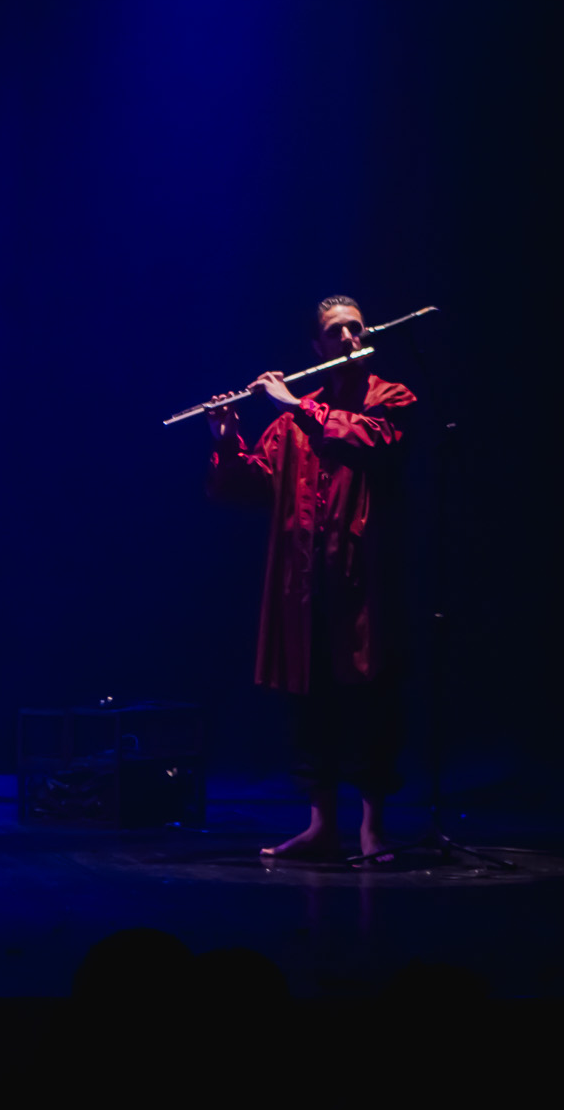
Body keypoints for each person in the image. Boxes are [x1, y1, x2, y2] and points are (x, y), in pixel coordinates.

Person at [206, 296, 415, 859]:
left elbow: (376, 442)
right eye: (335, 332)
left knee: (371, 703)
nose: (349, 338)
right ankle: (322, 826)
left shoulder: (389, 398)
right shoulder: (290, 420)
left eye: (356, 328)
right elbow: (250, 488)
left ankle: (372, 831)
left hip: (363, 579)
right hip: (303, 584)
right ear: (317, 347)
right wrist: (228, 436)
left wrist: (295, 405)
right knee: (310, 702)